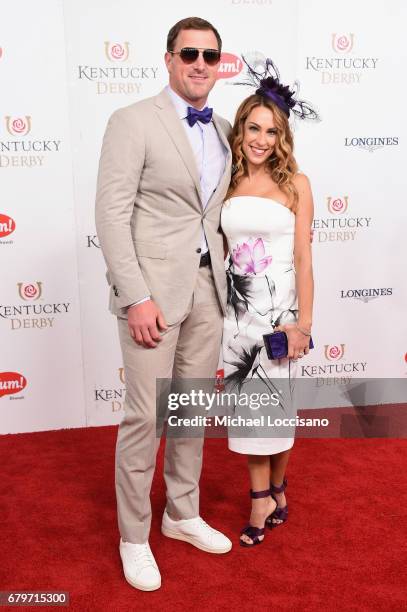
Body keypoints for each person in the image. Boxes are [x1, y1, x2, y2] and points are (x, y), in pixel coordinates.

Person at [95, 17, 232, 591]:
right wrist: (136, 297)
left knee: (190, 411)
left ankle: (181, 513)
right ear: (170, 58)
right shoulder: (132, 122)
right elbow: (111, 214)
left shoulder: (227, 128)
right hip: (152, 295)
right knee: (144, 418)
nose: (201, 64)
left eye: (211, 56)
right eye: (190, 54)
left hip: (209, 289)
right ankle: (134, 536)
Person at [221, 59, 317, 546]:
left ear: (282, 137)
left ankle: (276, 488)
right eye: (254, 128)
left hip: (280, 318)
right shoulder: (226, 182)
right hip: (237, 318)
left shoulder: (296, 184)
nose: (261, 139)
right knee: (251, 411)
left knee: (277, 411)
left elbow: (303, 259)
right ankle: (260, 496)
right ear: (240, 131)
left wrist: (303, 324)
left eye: (271, 131)